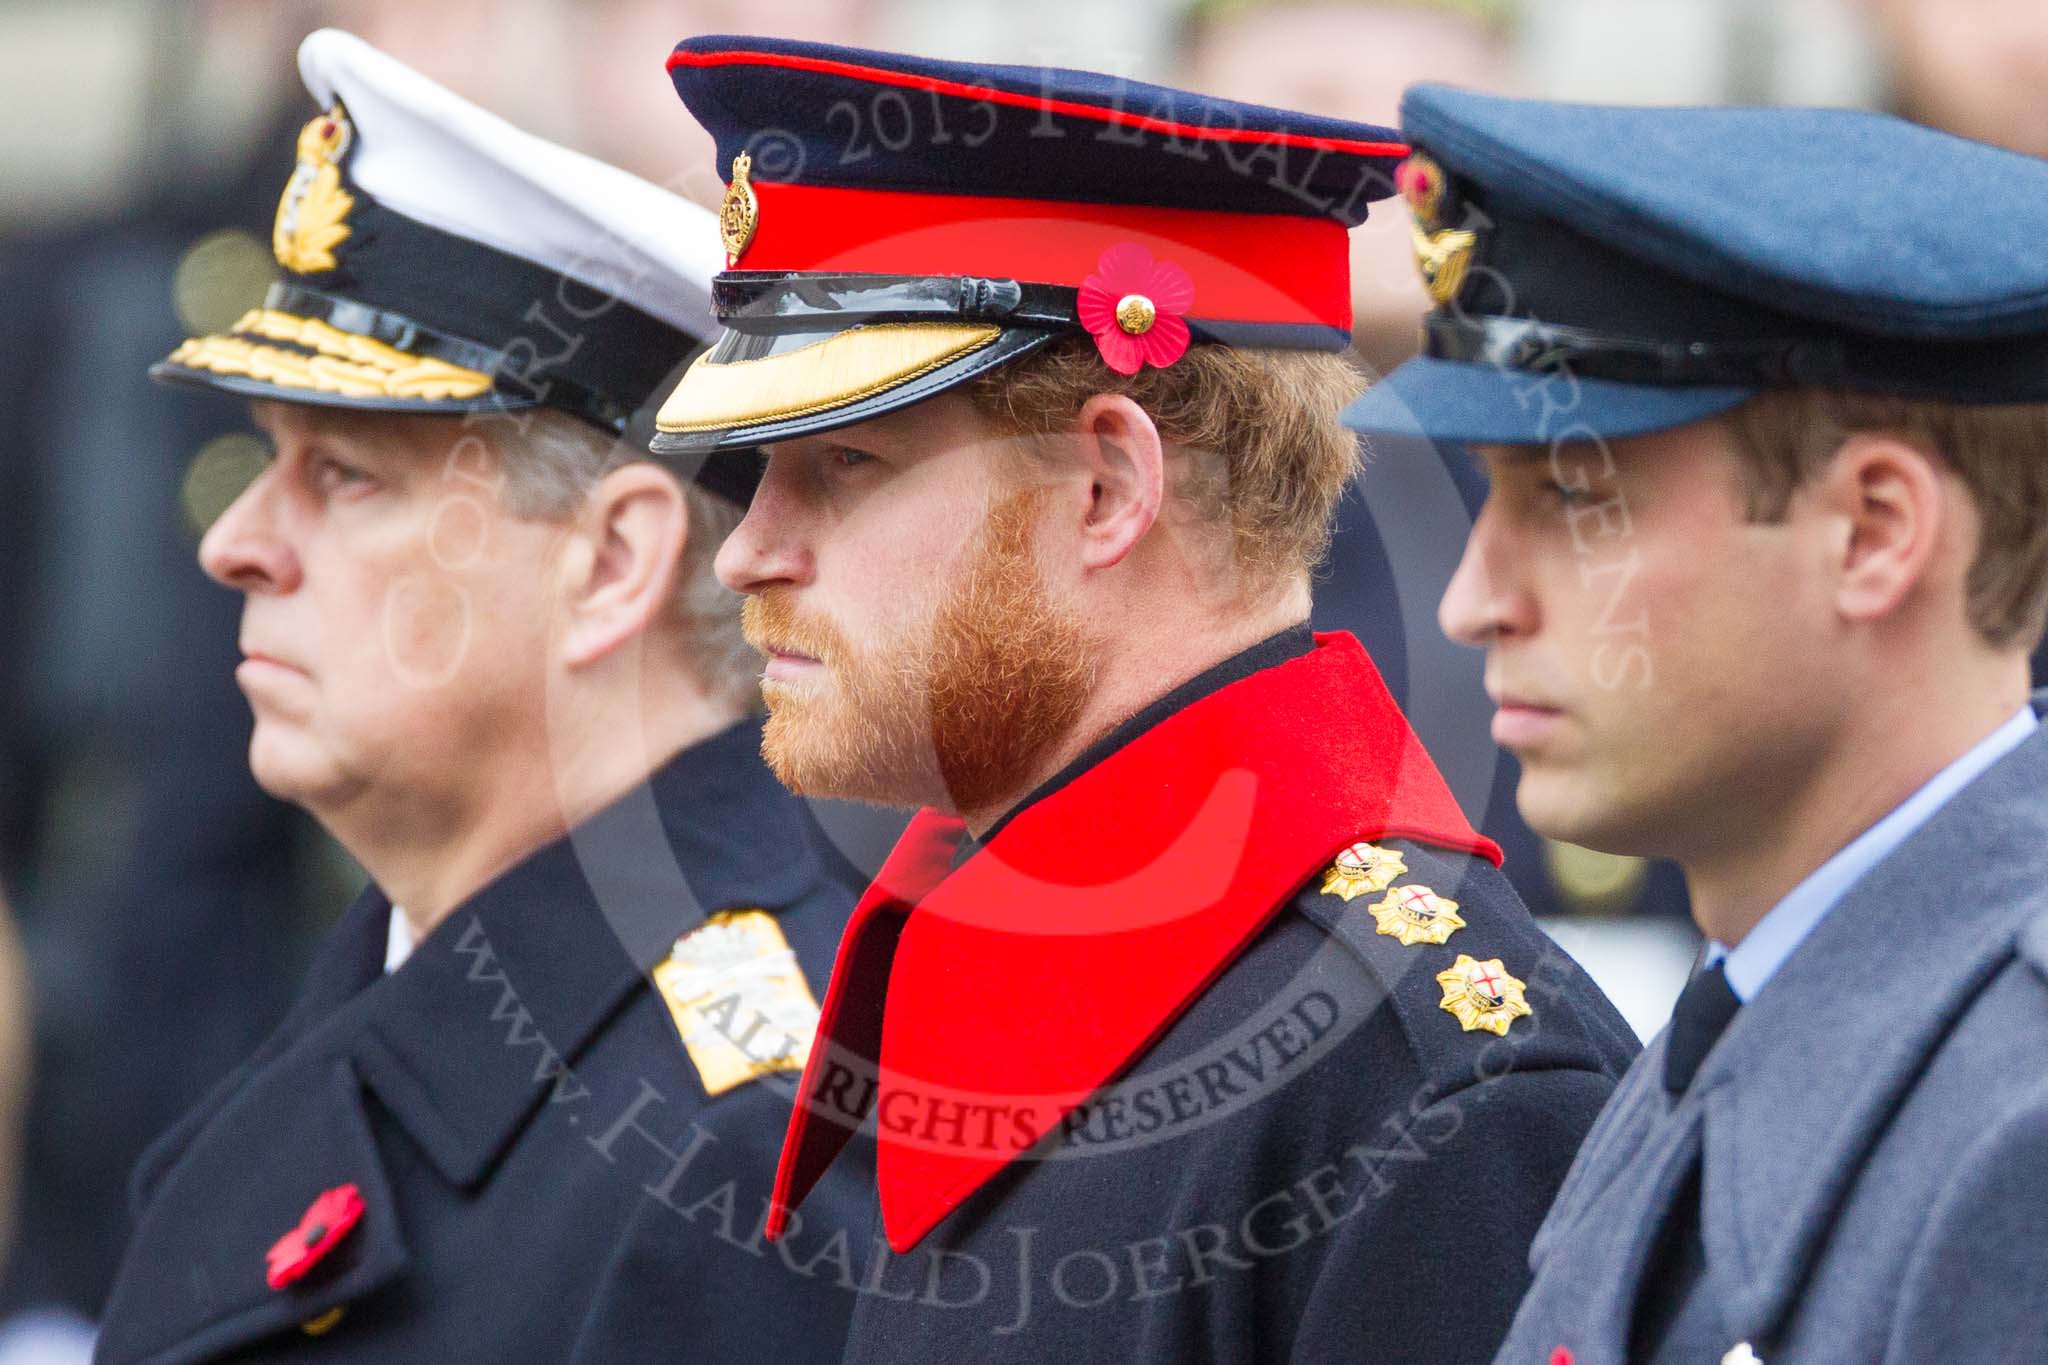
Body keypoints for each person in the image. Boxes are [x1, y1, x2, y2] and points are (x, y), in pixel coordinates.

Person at [651, 36, 1638, 1361]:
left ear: (1107, 488)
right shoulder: (1013, 950)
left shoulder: (1429, 1083)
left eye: (841, 462)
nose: (747, 551)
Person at [95, 30, 867, 1363]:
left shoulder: (747, 1145)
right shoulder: (414, 977)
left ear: (613, 560)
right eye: (266, 461)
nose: (237, 543)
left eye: (345, 476)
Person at [1343, 85, 2048, 1364]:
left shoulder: (2018, 1127)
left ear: (1872, 530)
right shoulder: (1747, 1007)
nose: (1468, 601)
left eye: (1569, 498)